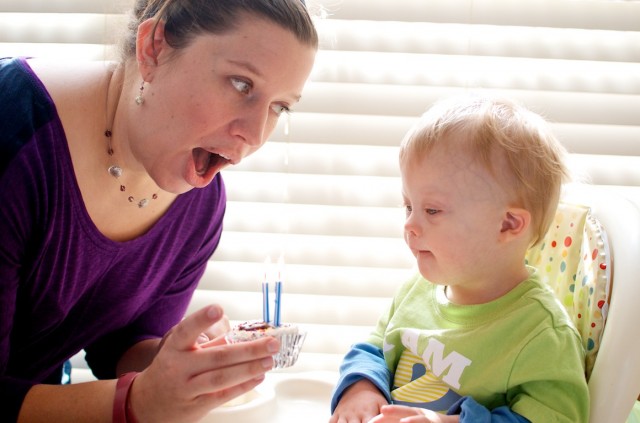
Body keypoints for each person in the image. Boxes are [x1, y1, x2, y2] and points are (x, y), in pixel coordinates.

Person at [0, 0, 317, 421]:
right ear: (153, 48)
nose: (255, 134)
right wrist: (135, 403)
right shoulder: (14, 129)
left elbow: (121, 346)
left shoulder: (200, 206)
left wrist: (178, 363)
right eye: (241, 85)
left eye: (280, 106)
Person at [329, 95, 590, 423]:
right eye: (408, 206)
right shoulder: (418, 289)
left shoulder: (541, 335)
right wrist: (362, 387)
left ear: (508, 224)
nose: (409, 225)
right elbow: (375, 348)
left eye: (432, 210)